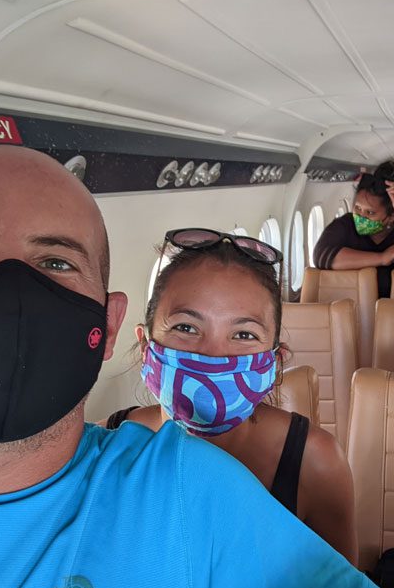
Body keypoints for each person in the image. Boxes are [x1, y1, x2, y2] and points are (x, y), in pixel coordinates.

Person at [0, 146, 394, 588]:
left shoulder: (184, 482)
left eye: (55, 262)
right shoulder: (140, 438)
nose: (6, 298)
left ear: (103, 328)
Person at [102, 228, 357, 563]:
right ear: (145, 345)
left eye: (243, 334)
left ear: (273, 364)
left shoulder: (316, 463)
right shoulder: (106, 445)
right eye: (186, 328)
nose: (212, 356)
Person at [313, 161, 394, 297]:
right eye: (358, 208)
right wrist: (381, 258)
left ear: (391, 217)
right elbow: (322, 256)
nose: (361, 216)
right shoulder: (345, 225)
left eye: (370, 213)